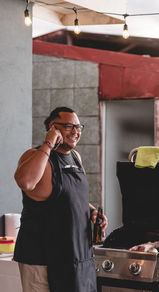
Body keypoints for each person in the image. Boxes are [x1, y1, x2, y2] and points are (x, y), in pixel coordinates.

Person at [14, 107, 108, 292]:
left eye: (78, 126)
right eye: (68, 126)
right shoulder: (36, 156)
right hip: (41, 259)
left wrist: (90, 211)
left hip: (76, 256)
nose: (75, 131)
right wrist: (48, 144)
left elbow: (69, 196)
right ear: (52, 127)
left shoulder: (75, 157)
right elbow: (25, 182)